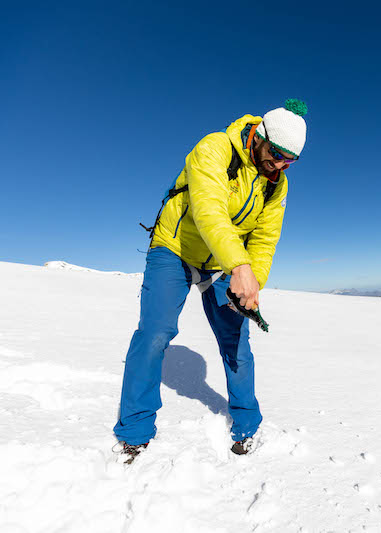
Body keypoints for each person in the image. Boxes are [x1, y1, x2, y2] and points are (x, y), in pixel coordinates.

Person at [113, 99, 308, 463]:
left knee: (236, 341)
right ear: (260, 136)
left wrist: (252, 283)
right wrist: (238, 264)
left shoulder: (275, 184)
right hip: (174, 248)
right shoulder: (215, 147)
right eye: (277, 154)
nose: (280, 165)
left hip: (222, 261)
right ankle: (134, 431)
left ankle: (247, 425)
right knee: (155, 333)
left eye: (290, 160)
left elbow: (265, 240)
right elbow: (209, 210)